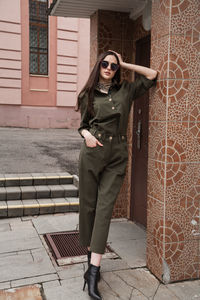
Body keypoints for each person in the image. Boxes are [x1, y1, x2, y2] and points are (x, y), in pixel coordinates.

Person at [76, 50, 157, 300]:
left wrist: (126, 63)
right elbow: (83, 125)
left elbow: (153, 75)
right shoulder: (87, 95)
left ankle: (93, 273)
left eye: (113, 65)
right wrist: (86, 135)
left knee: (104, 210)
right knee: (88, 207)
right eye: (105, 63)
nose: (109, 68)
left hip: (117, 155)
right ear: (98, 65)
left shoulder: (126, 90)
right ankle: (91, 260)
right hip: (92, 152)